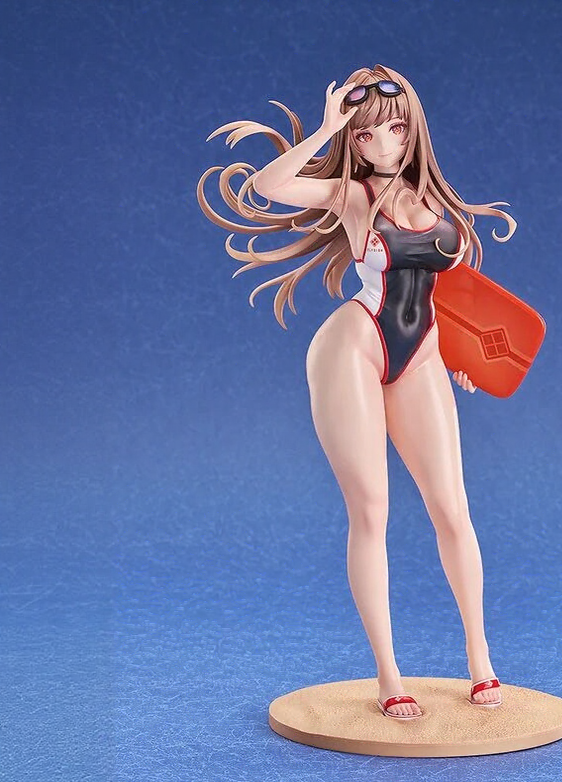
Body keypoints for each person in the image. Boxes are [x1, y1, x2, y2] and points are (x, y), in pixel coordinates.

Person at [198, 64, 516, 719]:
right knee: (371, 510)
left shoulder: (442, 206)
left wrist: (465, 359)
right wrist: (327, 128)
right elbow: (268, 186)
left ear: (413, 128)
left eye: (394, 128)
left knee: (453, 509)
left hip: (422, 354)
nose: (382, 143)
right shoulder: (351, 195)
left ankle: (481, 658)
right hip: (356, 343)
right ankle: (388, 675)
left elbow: (453, 298)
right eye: (366, 134)